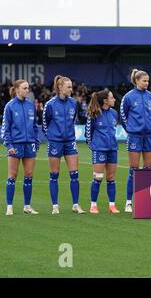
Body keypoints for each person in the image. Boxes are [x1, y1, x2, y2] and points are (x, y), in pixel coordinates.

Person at [43, 75, 85, 214]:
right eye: (69, 87)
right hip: (55, 142)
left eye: (71, 87)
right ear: (60, 88)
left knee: (74, 174)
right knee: (54, 175)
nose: (71, 89)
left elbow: (73, 119)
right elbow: (45, 123)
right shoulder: (50, 104)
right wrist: (52, 136)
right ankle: (55, 206)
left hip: (70, 142)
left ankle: (75, 205)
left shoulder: (74, 103)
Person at [120, 69, 151, 212]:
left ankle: (146, 200)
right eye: (144, 81)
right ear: (137, 81)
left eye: (148, 81)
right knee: (133, 170)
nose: (147, 83)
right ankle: (129, 202)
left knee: (148, 170)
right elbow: (123, 116)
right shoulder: (128, 97)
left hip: (149, 136)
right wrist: (131, 129)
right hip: (135, 136)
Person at [1, 79, 40, 215]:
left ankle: (27, 206)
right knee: (12, 175)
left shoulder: (31, 106)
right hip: (15, 145)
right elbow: (5, 129)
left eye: (28, 88)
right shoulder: (10, 106)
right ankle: (9, 207)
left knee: (29, 175)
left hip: (29, 145)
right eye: (24, 88)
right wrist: (9, 145)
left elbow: (35, 127)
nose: (27, 90)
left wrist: (36, 141)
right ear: (17, 90)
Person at [85, 89, 120, 214]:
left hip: (113, 150)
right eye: (112, 98)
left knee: (111, 178)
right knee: (98, 177)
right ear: (105, 101)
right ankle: (93, 205)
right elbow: (88, 134)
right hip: (99, 150)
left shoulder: (114, 113)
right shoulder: (94, 114)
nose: (114, 100)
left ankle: (112, 205)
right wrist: (94, 147)